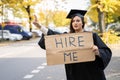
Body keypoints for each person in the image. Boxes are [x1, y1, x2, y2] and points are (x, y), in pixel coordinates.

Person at [33, 9, 112, 80]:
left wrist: (98, 52)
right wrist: (39, 26)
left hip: (91, 73)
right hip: (75, 73)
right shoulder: (67, 37)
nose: (75, 23)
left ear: (82, 23)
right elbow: (53, 35)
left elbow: (106, 51)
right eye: (73, 21)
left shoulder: (91, 36)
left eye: (78, 21)